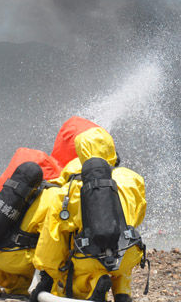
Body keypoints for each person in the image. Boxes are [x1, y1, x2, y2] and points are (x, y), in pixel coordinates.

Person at [0, 117, 102, 298]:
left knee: (19, 247)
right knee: (62, 241)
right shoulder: (59, 191)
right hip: (21, 255)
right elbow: (51, 241)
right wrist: (52, 278)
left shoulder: (22, 176)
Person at [31, 126, 147, 302]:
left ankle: (93, 287)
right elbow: (137, 217)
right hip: (127, 253)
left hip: (88, 257)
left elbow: (52, 241)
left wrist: (52, 272)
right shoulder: (133, 179)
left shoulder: (70, 189)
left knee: (72, 274)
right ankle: (122, 292)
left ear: (81, 151)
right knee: (122, 247)